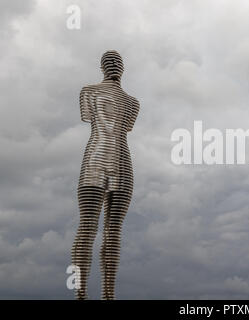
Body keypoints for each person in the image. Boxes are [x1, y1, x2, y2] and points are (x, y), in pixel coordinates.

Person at [71, 50, 139, 300]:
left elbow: (88, 117)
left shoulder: (89, 92)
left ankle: (88, 295)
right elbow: (126, 127)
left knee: (92, 228)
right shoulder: (131, 103)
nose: (114, 66)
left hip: (99, 158)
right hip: (121, 161)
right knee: (108, 230)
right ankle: (96, 295)